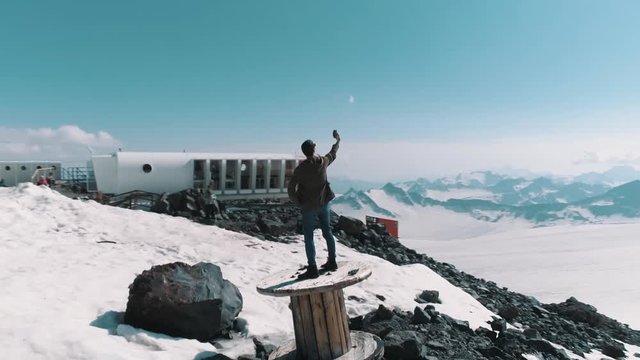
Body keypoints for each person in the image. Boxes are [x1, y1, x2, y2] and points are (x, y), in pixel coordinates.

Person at [288, 129, 341, 280]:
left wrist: (297, 200)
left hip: (308, 207)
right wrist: (337, 141)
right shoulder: (323, 162)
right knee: (327, 232)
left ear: (304, 152)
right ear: (314, 149)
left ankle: (312, 268)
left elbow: (291, 188)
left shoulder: (301, 169)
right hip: (324, 204)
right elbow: (333, 153)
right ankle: (332, 261)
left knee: (309, 237)